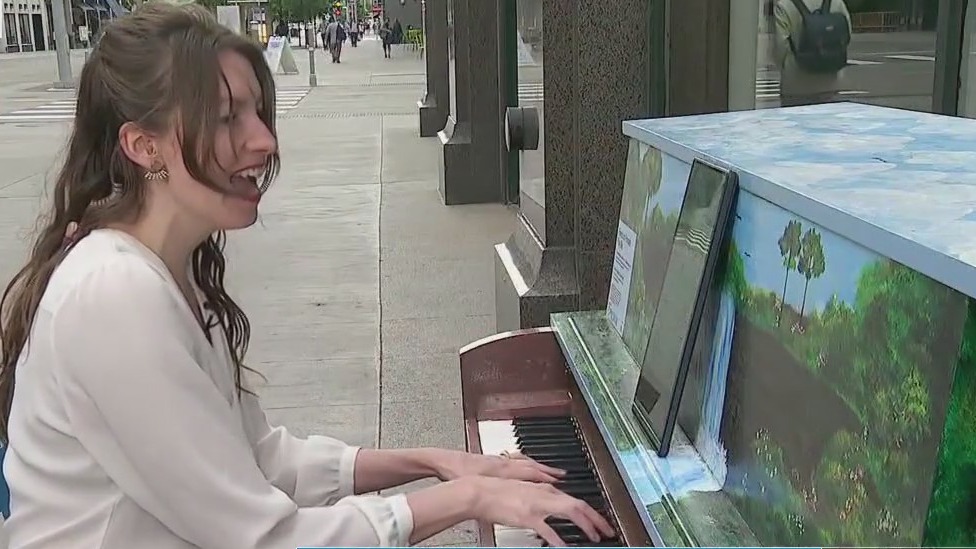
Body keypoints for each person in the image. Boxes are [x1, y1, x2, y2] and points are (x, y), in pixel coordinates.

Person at [0, 4, 614, 548]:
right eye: (227, 118)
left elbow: (264, 460)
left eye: (260, 114)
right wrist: (467, 498)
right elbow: (264, 537)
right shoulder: (113, 295)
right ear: (144, 146)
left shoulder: (164, 272)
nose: (265, 140)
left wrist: (436, 461)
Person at [773, 0, 852, 107]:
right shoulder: (837, 3)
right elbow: (846, 36)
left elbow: (780, 45)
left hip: (795, 83)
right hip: (829, 82)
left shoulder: (785, 5)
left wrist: (784, 68)